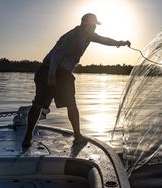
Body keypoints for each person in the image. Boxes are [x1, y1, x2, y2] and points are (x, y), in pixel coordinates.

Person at [22, 13, 130, 147]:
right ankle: (28, 137)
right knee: (40, 104)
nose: (95, 28)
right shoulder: (75, 35)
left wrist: (120, 43)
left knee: (68, 104)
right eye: (93, 25)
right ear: (85, 24)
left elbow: (105, 40)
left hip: (61, 72)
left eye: (96, 25)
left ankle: (77, 136)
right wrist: (51, 75)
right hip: (50, 70)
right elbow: (57, 53)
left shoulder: (88, 36)